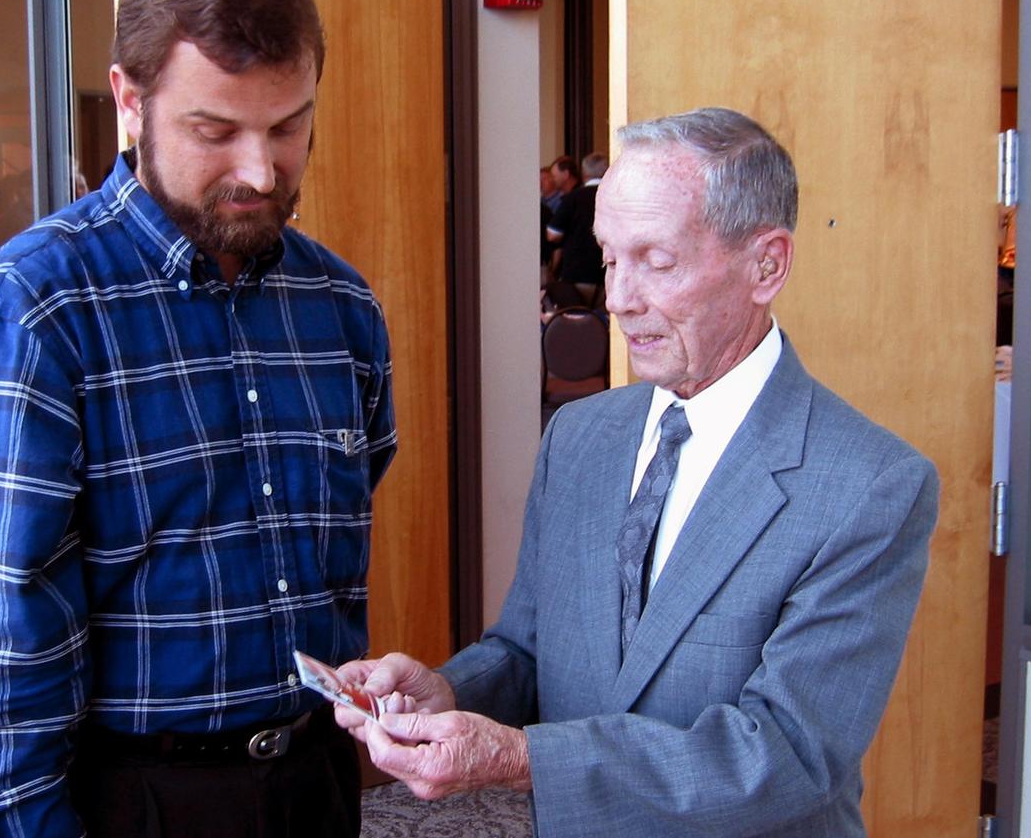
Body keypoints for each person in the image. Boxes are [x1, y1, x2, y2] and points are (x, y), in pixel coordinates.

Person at [337, 107, 938, 837]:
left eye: (656, 260)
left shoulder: (870, 484)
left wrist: (523, 758)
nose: (618, 298)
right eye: (609, 256)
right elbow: (526, 650)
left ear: (767, 264)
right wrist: (448, 689)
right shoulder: (581, 436)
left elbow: (784, 755)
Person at [0, 0, 396, 838]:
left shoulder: (340, 305)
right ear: (131, 102)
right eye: (216, 131)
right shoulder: (33, 314)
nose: (261, 170)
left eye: (288, 125)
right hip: (133, 800)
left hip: (314, 782)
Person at [546, 150, 607, 307]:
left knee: (578, 326)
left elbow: (552, 234)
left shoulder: (573, 198)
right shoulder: (616, 196)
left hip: (578, 274)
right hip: (608, 274)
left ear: (584, 172)